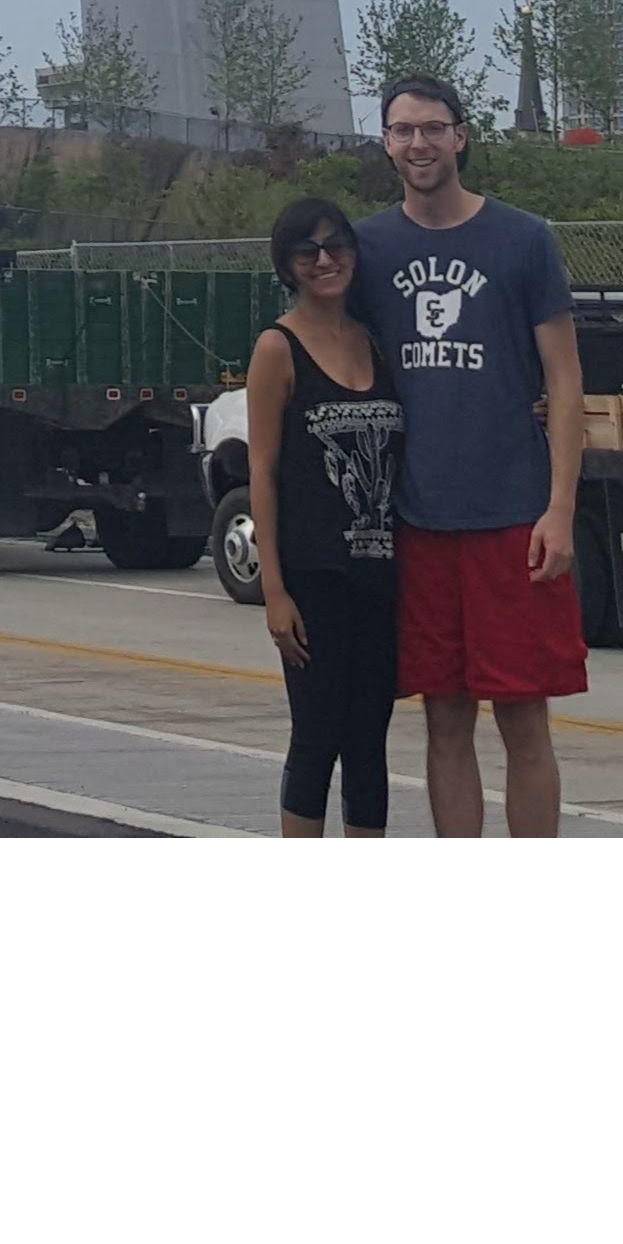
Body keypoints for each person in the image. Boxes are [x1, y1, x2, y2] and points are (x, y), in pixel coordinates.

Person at [352, 72, 586, 838]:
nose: (417, 143)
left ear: (461, 135)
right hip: (416, 518)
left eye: (431, 127)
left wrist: (558, 508)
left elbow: (563, 378)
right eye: (402, 129)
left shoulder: (522, 239)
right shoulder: (369, 247)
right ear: (385, 141)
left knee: (524, 718)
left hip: (512, 515)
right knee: (443, 719)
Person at [245, 194, 403, 838]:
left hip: (383, 573)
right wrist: (274, 591)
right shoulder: (278, 348)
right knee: (317, 734)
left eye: (336, 245)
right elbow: (262, 471)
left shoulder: (377, 342)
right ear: (288, 265)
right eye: (307, 250)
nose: (324, 259)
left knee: (369, 737)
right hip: (313, 574)